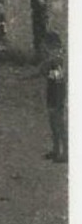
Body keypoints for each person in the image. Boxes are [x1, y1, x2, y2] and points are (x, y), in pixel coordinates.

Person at [42, 31, 66, 162]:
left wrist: (47, 68)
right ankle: (56, 149)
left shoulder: (57, 58)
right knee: (53, 123)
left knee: (59, 124)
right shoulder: (53, 58)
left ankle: (65, 152)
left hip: (57, 92)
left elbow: (58, 77)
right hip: (52, 91)